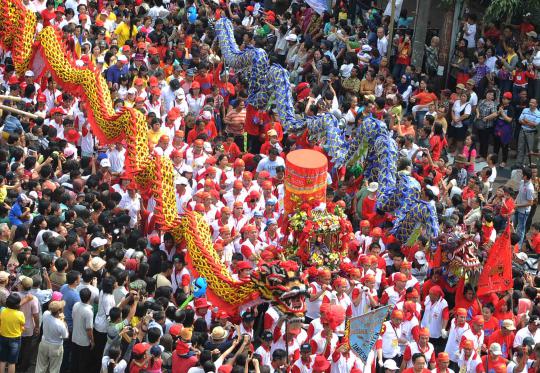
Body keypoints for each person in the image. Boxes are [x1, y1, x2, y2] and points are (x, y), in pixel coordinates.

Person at [35, 300, 69, 373]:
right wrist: (64, 321)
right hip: (56, 347)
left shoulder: (45, 314)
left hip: (44, 343)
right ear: (59, 311)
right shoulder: (61, 324)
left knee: (40, 367)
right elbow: (65, 336)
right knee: (54, 369)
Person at [0, 294, 25, 373]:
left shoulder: (2, 311)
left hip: (2, 337)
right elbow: (22, 324)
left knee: (2, 360)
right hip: (15, 339)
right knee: (12, 362)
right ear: (18, 304)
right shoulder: (20, 314)